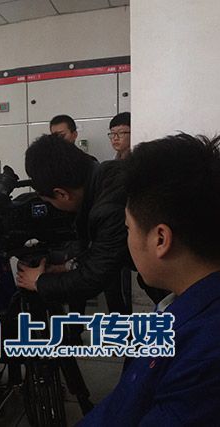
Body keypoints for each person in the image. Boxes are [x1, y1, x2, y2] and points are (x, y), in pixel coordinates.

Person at [79, 133, 220, 424]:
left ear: (160, 239)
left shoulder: (205, 356)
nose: (127, 240)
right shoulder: (178, 307)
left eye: (128, 229)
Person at [16, 134, 130, 312]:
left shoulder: (109, 208)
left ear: (62, 194)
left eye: (50, 202)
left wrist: (38, 282)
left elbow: (95, 277)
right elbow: (101, 251)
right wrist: (65, 267)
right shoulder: (107, 176)